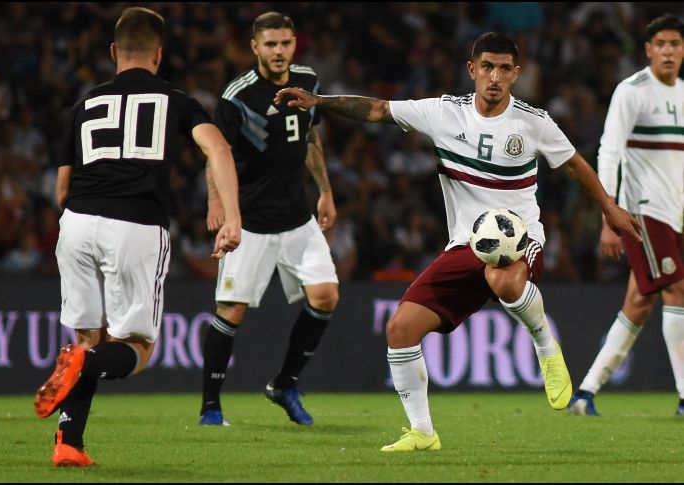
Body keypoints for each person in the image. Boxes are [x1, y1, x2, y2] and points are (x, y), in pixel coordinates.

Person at [275, 32, 642, 451]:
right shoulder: (443, 113)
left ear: (516, 74)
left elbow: (576, 166)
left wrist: (609, 211)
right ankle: (423, 433)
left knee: (503, 280)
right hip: (466, 244)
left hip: (521, 239)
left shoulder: (532, 122)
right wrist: (320, 102)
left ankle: (545, 345)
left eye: (505, 69)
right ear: (472, 69)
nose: (495, 76)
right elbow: (376, 109)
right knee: (400, 329)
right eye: (487, 66)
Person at [33, 7, 241, 467]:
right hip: (134, 225)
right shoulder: (177, 100)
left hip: (76, 224)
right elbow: (218, 149)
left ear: (113, 52)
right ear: (159, 55)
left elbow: (61, 190)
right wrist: (232, 216)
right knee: (137, 348)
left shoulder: (83, 104)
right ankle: (81, 367)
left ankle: (69, 443)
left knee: (88, 336)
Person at [199, 11, 339, 426]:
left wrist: (326, 191)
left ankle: (284, 383)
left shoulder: (308, 82)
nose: (279, 52)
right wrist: (217, 206)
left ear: (295, 44)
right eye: (271, 44)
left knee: (327, 296)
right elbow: (215, 155)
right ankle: (210, 407)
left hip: (297, 217)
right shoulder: (237, 96)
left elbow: (310, 137)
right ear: (255, 47)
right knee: (231, 311)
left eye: (286, 43)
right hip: (251, 221)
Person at [568, 14, 684, 417]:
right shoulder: (631, 92)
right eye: (661, 44)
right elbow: (610, 152)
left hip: (679, 212)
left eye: (675, 43)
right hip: (645, 211)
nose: (668, 51)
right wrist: (609, 214)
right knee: (678, 290)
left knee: (638, 301)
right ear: (648, 50)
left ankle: (584, 394)